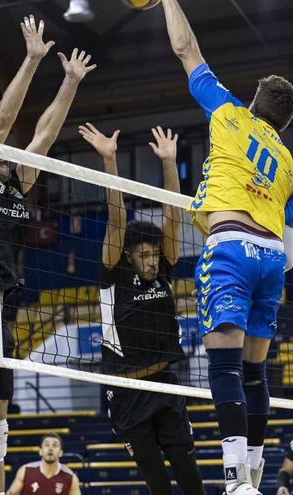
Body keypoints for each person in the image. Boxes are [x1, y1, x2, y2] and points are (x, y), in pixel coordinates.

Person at [0, 15, 97, 495]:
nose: (9, 154)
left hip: (2, 315)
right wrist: (32, 60)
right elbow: (3, 123)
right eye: (1, 151)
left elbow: (44, 137)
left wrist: (69, 82)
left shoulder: (15, 187)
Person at [160, 1, 293, 493]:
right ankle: (253, 474)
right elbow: (292, 252)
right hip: (271, 262)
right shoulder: (287, 163)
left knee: (222, 366)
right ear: (282, 122)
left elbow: (185, 48)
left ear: (256, 99)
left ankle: (235, 480)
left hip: (232, 249)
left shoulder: (228, 113)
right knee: (255, 373)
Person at [78, 123, 205, 495]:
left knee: (188, 469)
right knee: (157, 483)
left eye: (154, 254)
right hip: (127, 389)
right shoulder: (112, 273)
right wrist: (109, 160)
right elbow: (116, 218)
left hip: (165, 380)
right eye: (144, 255)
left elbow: (172, 214)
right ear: (128, 256)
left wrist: (169, 163)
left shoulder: (164, 268)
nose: (152, 261)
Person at [6, 433, 81, 495]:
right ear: (40, 451)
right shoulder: (25, 470)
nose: (50, 448)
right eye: (47, 445)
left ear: (61, 452)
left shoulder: (71, 477)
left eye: (55, 445)